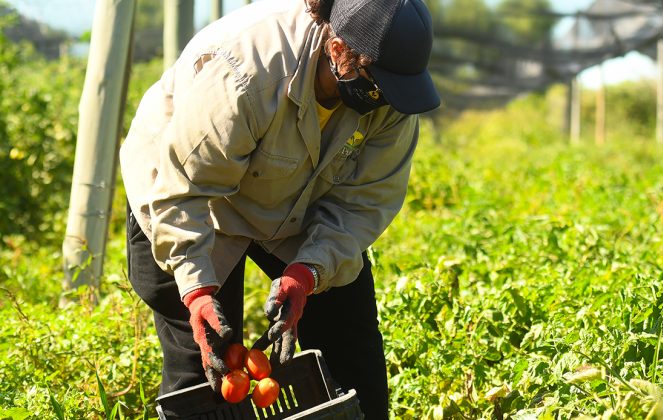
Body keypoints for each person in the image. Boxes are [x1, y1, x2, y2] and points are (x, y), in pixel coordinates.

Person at [120, 0, 439, 417]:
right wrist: (197, 293)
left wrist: (306, 273)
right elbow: (182, 189)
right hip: (190, 193)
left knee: (351, 345)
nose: (383, 100)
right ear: (338, 49)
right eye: (376, 85)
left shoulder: (393, 96)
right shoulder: (247, 72)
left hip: (297, 195)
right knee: (207, 362)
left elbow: (364, 203)